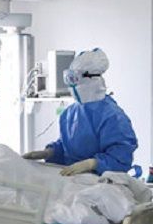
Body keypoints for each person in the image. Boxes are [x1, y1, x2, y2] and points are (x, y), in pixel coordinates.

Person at [22, 48, 138, 176]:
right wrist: (49, 153)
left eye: (75, 78)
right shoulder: (69, 113)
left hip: (102, 182)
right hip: (73, 180)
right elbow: (67, 147)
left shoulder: (112, 116)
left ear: (94, 79)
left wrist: (93, 164)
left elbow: (121, 157)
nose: (72, 85)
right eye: (69, 78)